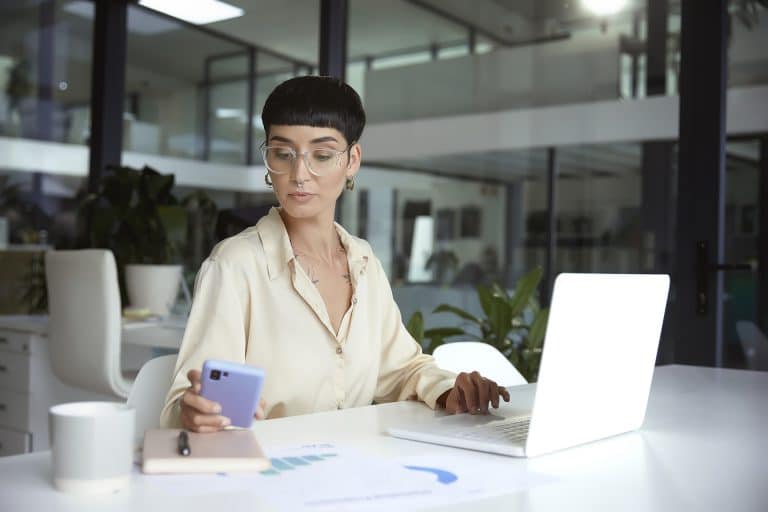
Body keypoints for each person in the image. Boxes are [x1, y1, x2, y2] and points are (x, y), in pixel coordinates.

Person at [160, 76, 510, 432]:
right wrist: (195, 411)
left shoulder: (363, 262)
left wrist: (451, 390)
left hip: (350, 468)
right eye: (283, 154)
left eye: (322, 155)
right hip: (266, 470)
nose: (299, 174)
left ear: (352, 160)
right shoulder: (236, 265)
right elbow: (187, 403)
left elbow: (402, 369)